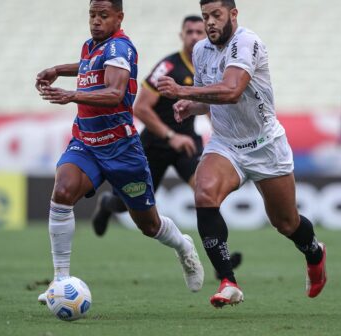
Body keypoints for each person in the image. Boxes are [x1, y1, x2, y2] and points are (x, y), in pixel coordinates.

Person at [157, 0, 327, 308]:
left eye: (216, 15)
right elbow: (211, 98)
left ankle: (314, 252)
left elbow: (232, 91)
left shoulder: (246, 42)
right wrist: (192, 105)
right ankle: (228, 281)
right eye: (205, 16)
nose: (209, 23)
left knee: (286, 223)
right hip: (226, 144)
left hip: (265, 144)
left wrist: (182, 92)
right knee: (204, 193)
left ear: (233, 15)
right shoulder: (200, 50)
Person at [34, 0, 204, 304]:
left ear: (119, 17)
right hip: (86, 142)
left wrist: (71, 94)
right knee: (62, 191)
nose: (96, 21)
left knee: (149, 225)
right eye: (92, 15)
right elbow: (88, 67)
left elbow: (114, 94)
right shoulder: (92, 46)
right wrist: (58, 69)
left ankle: (183, 247)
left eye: (103, 15)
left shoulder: (121, 48)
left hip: (121, 148)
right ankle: (59, 282)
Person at [91, 14, 242, 278]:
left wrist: (222, 134)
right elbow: (141, 107)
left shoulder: (209, 65)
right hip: (156, 144)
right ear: (181, 36)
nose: (195, 36)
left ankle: (221, 264)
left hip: (187, 143)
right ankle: (108, 204)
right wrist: (171, 136)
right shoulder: (168, 67)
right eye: (190, 32)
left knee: (206, 192)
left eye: (199, 32)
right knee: (130, 204)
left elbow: (212, 103)